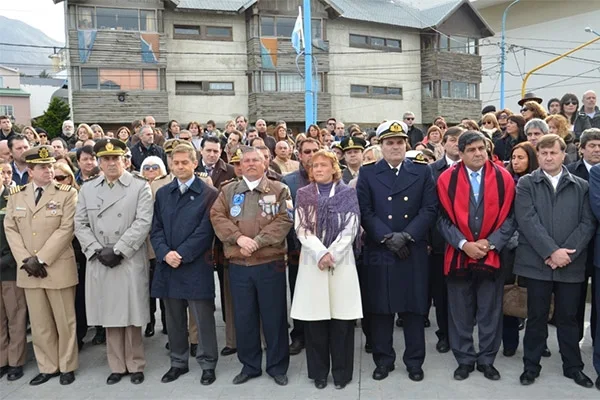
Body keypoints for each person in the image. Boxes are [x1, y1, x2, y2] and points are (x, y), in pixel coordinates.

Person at [356, 120, 437, 382]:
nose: (395, 147)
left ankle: (414, 361)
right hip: (380, 249)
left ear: (407, 144)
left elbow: (429, 209)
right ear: (380, 145)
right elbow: (365, 211)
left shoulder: (422, 171)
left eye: (400, 142)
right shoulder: (368, 173)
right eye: (389, 142)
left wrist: (406, 236)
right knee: (381, 308)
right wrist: (386, 237)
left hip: (411, 249)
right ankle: (383, 360)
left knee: (413, 309)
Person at [516, 134, 596, 388]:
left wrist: (566, 254)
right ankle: (531, 365)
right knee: (536, 316)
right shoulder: (527, 183)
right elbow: (527, 220)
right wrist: (551, 252)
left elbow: (587, 222)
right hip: (537, 263)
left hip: (570, 264)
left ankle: (573, 366)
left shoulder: (581, 185)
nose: (548, 157)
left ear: (565, 154)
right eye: (543, 153)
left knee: (569, 317)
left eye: (553, 152)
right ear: (537, 156)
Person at [210, 146, 293, 386]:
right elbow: (217, 217)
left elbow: (285, 219)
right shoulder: (228, 191)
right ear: (239, 165)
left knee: (274, 318)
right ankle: (250, 366)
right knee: (244, 318)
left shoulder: (279, 189)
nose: (250, 164)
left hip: (270, 263)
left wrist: (256, 242)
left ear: (265, 163)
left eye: (255, 160)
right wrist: (238, 238)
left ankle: (277, 367)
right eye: (245, 161)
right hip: (239, 264)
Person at [437, 131, 516, 382]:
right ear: (460, 153)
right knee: (460, 310)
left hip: (491, 255)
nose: (478, 153)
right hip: (459, 255)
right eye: (471, 149)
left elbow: (512, 218)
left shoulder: (504, 178)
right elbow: (441, 219)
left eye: (481, 148)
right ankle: (464, 359)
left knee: (490, 310)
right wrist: (463, 244)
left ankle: (487, 359)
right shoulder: (445, 179)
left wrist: (490, 243)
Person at [74, 139, 153, 385]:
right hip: (100, 258)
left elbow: (143, 222)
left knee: (131, 313)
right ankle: (116, 365)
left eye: (115, 158)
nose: (110, 163)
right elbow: (80, 223)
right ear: (99, 161)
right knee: (109, 313)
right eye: (105, 159)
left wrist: (118, 250)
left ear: (124, 160)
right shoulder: (88, 189)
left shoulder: (140, 186)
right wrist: (98, 250)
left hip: (127, 257)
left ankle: (136, 363)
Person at [4, 145, 79, 386]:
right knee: (39, 322)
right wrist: (26, 260)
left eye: (50, 165)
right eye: (42, 167)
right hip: (28, 269)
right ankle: (48, 366)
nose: (48, 170)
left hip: (56, 266)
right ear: (30, 170)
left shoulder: (66, 193)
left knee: (65, 321)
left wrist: (42, 258)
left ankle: (67, 365)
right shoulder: (16, 195)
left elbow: (66, 229)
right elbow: (11, 229)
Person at [291, 150, 362, 390]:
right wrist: (320, 252)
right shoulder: (304, 194)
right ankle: (319, 373)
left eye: (324, 165)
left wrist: (334, 252)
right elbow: (302, 229)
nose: (319, 169)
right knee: (316, 321)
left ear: (334, 168)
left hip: (341, 262)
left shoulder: (347, 193)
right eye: (314, 166)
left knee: (341, 321)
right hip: (313, 263)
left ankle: (342, 374)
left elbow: (352, 227)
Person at [151, 144, 219, 386]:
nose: (180, 166)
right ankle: (178, 362)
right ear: (170, 164)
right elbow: (155, 228)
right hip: (168, 265)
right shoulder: (162, 193)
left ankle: (208, 363)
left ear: (194, 163)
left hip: (195, 264)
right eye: (176, 163)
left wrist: (181, 253)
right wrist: (164, 253)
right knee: (173, 318)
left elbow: (205, 231)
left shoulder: (209, 193)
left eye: (184, 162)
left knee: (203, 319)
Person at [282, 138, 321, 356]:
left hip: (327, 250)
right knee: (299, 292)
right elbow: (284, 215)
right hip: (298, 250)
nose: (312, 154)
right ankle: (299, 336)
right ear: (299, 154)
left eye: (316, 150)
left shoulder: (331, 178)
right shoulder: (289, 181)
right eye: (307, 151)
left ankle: (321, 336)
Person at [427, 126, 464, 354]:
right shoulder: (432, 170)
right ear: (444, 143)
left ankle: (462, 333)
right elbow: (430, 208)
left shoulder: (474, 169)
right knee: (441, 293)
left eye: (461, 140)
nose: (456, 144)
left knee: (463, 292)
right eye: (452, 140)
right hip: (440, 241)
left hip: (468, 241)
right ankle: (444, 334)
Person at [502, 142, 539, 357]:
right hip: (508, 247)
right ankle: (509, 341)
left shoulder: (537, 183)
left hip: (533, 247)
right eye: (513, 157)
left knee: (533, 296)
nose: (515, 162)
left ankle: (537, 344)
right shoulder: (505, 181)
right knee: (508, 293)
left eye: (521, 158)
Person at [567, 128, 600, 346]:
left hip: (597, 246)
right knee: (574, 299)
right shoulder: (570, 171)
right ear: (581, 149)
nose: (597, 149)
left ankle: (595, 338)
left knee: (596, 301)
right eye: (592, 145)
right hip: (576, 244)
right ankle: (573, 341)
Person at [0, 158, 26, 381]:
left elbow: (20, 232)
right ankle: (2, 360)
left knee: (15, 316)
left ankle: (16, 361)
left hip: (9, 268)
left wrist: (8, 259)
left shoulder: (13, 198)